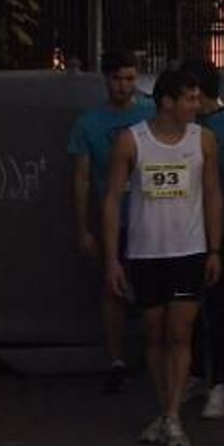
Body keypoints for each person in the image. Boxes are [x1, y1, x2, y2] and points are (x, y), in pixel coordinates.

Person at [101, 70, 222, 446]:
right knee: (153, 332)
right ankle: (165, 406)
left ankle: (172, 414)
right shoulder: (130, 140)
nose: (196, 105)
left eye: (198, 99)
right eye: (189, 98)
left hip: (188, 250)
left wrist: (214, 248)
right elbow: (111, 201)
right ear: (167, 101)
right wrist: (112, 260)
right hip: (145, 252)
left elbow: (213, 194)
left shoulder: (203, 139)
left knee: (179, 332)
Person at [70, 50, 154, 394]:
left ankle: (155, 357)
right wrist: (83, 229)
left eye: (130, 79)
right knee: (112, 289)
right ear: (106, 79)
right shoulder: (89, 123)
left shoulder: (151, 114)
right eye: (118, 79)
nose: (124, 86)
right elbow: (82, 179)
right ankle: (117, 360)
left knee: (153, 291)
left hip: (152, 219)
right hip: (113, 219)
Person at [182, 59, 224, 420]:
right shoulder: (182, 129)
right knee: (187, 310)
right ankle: (194, 373)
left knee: (219, 309)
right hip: (185, 233)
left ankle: (221, 383)